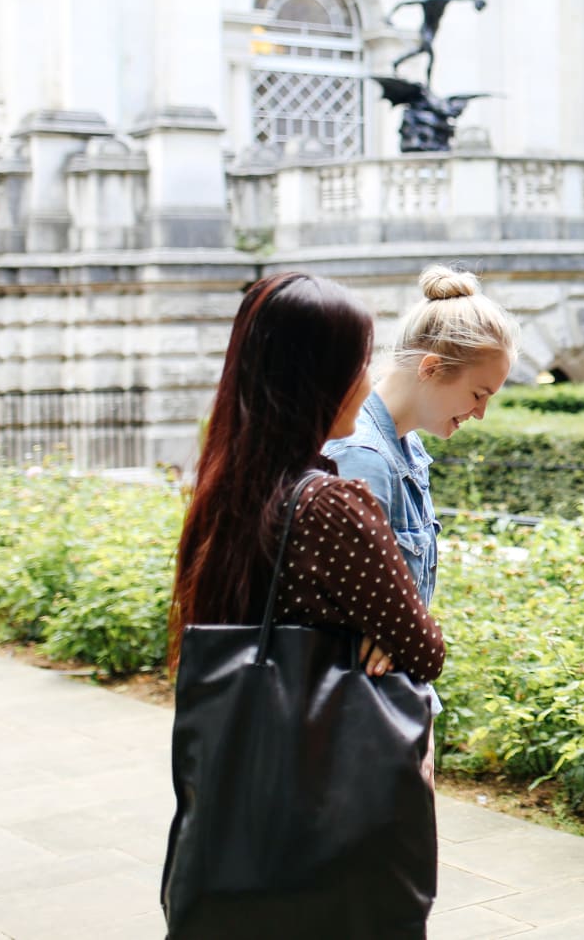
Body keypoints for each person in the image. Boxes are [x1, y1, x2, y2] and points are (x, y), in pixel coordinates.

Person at [168, 272, 446, 912]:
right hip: (329, 798)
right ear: (318, 376)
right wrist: (385, 625)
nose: (370, 379)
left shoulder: (226, 488)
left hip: (239, 792)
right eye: (359, 360)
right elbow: (424, 649)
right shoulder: (330, 503)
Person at [324, 264, 519, 784]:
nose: (480, 413)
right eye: (479, 393)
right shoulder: (363, 457)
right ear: (432, 367)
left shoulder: (406, 449)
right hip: (361, 721)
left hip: (390, 708)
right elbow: (361, 627)